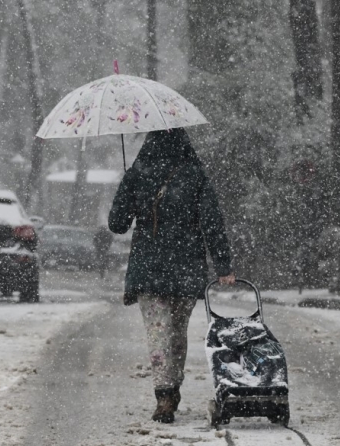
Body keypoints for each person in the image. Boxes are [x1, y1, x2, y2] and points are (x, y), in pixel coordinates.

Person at [108, 128, 235, 424]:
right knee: (177, 331)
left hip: (148, 268)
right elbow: (212, 222)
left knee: (158, 332)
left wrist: (128, 187)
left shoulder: (138, 173)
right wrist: (223, 265)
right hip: (186, 267)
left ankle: (164, 395)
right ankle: (172, 386)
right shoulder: (195, 175)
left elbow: (117, 224)